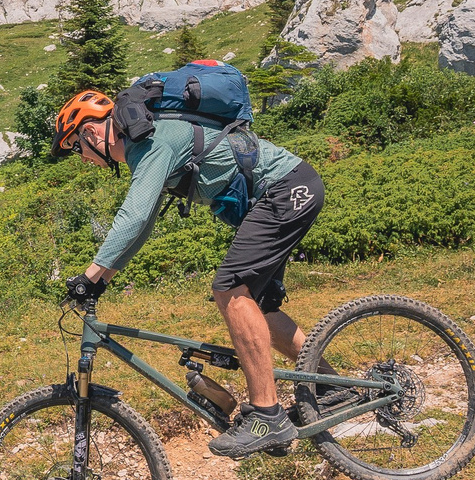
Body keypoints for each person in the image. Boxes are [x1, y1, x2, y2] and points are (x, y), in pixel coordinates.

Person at [52, 68, 325, 458]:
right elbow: (142, 224)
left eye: (75, 148)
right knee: (258, 307)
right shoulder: (144, 144)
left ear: (91, 134)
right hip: (288, 191)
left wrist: (90, 275)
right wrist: (103, 277)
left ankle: (268, 415)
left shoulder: (151, 143)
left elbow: (133, 215)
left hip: (286, 190)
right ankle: (331, 387)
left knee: (230, 290)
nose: (81, 158)